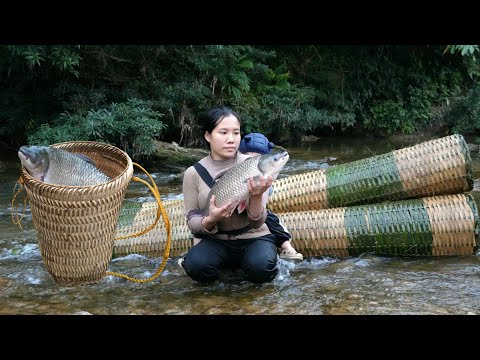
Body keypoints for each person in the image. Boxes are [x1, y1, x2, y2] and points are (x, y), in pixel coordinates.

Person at [180, 106, 278, 284]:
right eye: (223, 132)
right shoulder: (193, 173)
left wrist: (256, 196)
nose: (231, 140)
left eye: (236, 133)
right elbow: (193, 220)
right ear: (208, 135)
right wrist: (210, 219)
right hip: (216, 240)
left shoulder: (253, 165)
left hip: (253, 237)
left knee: (262, 267)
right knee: (196, 266)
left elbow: (257, 221)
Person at [239, 132, 303, 261]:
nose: (253, 162)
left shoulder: (268, 172)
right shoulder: (237, 168)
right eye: (248, 157)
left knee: (272, 220)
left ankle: (286, 247)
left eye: (257, 157)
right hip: (237, 207)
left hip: (256, 210)